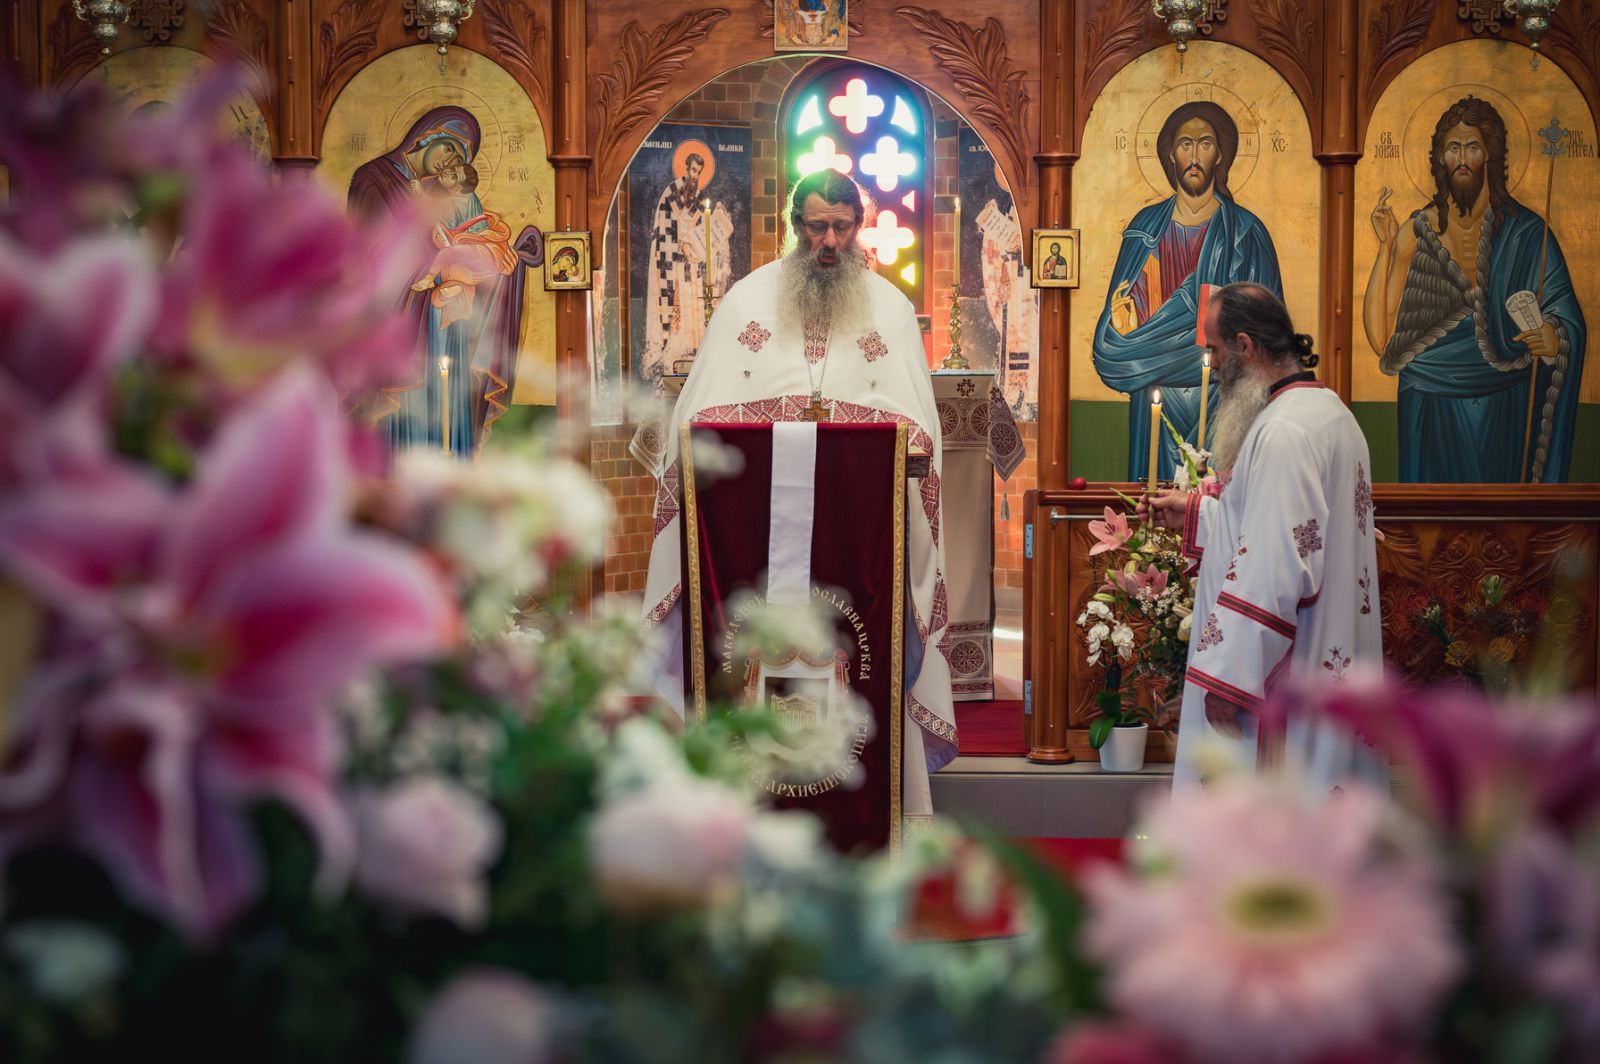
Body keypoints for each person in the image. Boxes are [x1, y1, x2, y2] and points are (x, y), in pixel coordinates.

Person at [638, 169, 957, 823]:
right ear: (794, 226)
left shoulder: (890, 313)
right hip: (748, 532)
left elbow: (920, 437)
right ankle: (732, 804)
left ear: (859, 226)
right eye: (816, 227)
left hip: (859, 533)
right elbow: (692, 431)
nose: (829, 242)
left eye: (841, 227)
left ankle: (869, 809)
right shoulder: (747, 304)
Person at [1141, 283, 1385, 791]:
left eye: (1215, 350)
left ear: (1245, 346)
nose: (1212, 364)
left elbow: (1276, 564)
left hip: (1286, 675)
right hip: (1331, 661)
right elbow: (1291, 533)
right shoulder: (1332, 415)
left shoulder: (1282, 432)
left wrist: (1230, 678)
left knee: (1271, 813)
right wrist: (1197, 514)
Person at [1363, 95, 1586, 483]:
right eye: (1453, 148)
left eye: (1473, 147)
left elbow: (1564, 314)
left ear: (1491, 156)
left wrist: (1556, 337)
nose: (1462, 158)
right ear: (1440, 158)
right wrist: (1385, 248)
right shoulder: (1416, 232)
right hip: (1429, 400)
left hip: (1506, 400)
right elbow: (1382, 339)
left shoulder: (1527, 234)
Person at [1092, 101, 1285, 482]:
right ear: (1170, 154)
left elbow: (1271, 335)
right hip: (1154, 398)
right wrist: (1124, 329)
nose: (1194, 156)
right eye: (1185, 144)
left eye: (1205, 144)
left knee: (1219, 500)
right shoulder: (1144, 230)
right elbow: (1115, 340)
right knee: (1153, 499)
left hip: (1222, 400)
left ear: (1220, 155)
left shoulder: (1247, 234)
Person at [348, 107, 540, 456]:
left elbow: (471, 234)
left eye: (459, 160)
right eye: (449, 149)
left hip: (448, 325)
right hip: (403, 317)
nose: (450, 162)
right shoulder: (375, 179)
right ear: (425, 136)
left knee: (450, 393)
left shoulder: (451, 198)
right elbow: (371, 253)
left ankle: (452, 463)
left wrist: (505, 262)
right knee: (408, 408)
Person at [642, 152, 733, 381]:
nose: (695, 176)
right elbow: (663, 233)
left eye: (699, 173)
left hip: (692, 269)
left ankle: (694, 357)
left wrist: (719, 219)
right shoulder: (670, 195)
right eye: (693, 170)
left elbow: (707, 237)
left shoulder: (701, 201)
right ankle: (672, 357)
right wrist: (678, 246)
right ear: (685, 168)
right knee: (676, 312)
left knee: (694, 310)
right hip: (672, 267)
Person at [410, 163, 519, 333]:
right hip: (473, 260)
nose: (447, 172)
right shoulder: (470, 196)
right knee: (442, 291)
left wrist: (420, 192)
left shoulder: (452, 201)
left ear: (458, 188)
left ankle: (429, 278)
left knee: (447, 254)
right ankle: (456, 289)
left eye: (454, 175)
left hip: (484, 250)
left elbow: (433, 211)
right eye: (452, 169)